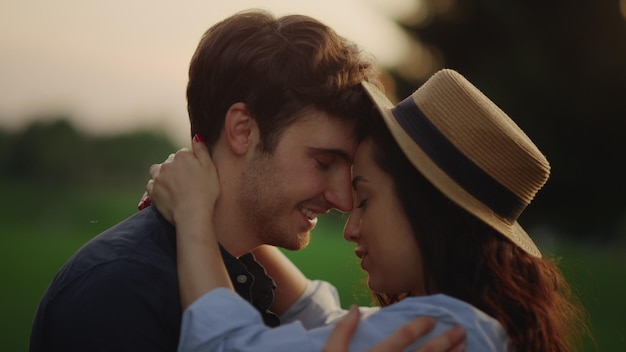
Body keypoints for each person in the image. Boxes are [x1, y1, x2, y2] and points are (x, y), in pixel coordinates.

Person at [29, 9, 462, 352]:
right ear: (242, 129)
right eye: (324, 161)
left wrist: (196, 212)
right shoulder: (119, 292)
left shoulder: (243, 283)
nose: (343, 199)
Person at [146, 69, 591, 351]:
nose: (349, 225)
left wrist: (194, 216)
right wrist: (231, 201)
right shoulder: (468, 321)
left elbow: (227, 345)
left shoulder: (445, 332)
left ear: (429, 213)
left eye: (365, 199)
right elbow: (322, 321)